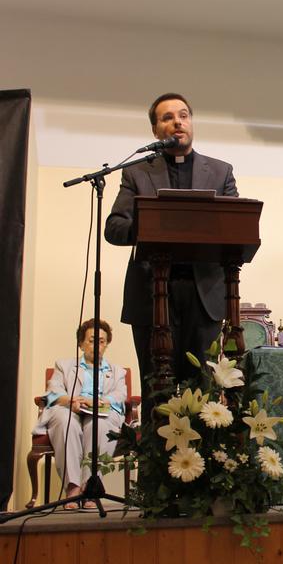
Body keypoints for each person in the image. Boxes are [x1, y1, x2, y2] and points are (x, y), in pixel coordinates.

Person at [104, 93, 238, 423]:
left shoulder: (220, 172)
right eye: (167, 117)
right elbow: (114, 227)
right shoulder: (136, 173)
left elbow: (236, 225)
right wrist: (151, 225)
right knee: (156, 393)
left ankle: (201, 456)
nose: (177, 122)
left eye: (183, 115)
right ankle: (154, 456)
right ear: (155, 130)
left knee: (202, 391)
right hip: (151, 294)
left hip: (203, 296)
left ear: (191, 122)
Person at [33, 319, 127, 509]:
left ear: (107, 344)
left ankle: (90, 487)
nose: (97, 346)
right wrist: (71, 400)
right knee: (65, 420)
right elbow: (53, 392)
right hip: (71, 409)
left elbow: (120, 395)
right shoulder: (64, 366)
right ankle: (73, 487)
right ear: (81, 344)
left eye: (102, 341)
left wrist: (99, 402)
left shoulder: (117, 372)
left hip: (101, 411)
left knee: (99, 424)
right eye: (92, 341)